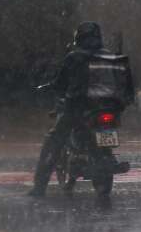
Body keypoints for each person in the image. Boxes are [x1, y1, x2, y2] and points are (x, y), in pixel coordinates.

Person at [28, 21, 110, 197]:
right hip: (106, 107)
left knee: (53, 141)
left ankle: (39, 187)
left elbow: (61, 83)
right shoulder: (109, 56)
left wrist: (48, 87)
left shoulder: (74, 57)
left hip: (78, 108)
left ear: (79, 38)